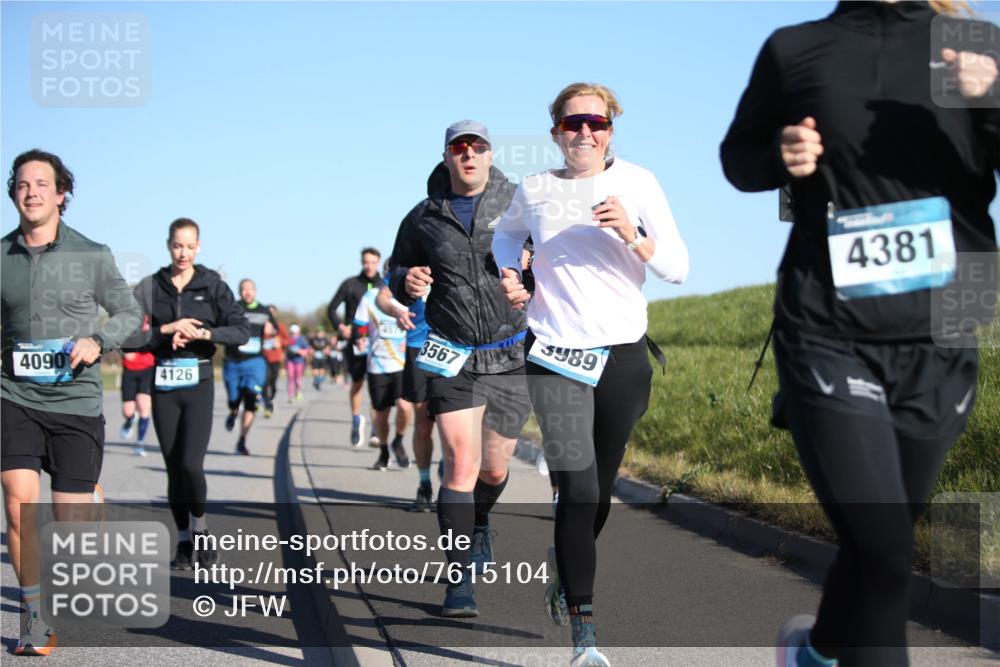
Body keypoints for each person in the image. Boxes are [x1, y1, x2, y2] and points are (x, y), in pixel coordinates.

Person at [719, 3, 998, 666]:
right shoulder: (797, 48)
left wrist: (990, 101)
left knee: (882, 542)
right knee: (885, 549)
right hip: (829, 324)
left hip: (950, 315)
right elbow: (738, 158)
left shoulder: (968, 41)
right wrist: (781, 155)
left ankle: (814, 653)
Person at [494, 82, 689, 667]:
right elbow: (506, 236)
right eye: (573, 123)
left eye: (596, 123)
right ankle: (585, 636)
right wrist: (511, 275)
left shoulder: (639, 183)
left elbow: (678, 267)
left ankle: (565, 560)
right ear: (555, 131)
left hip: (623, 355)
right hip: (555, 353)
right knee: (576, 489)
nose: (584, 132)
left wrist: (632, 233)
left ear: (610, 130)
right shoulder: (534, 189)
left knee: (598, 494)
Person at [388, 120, 532, 618]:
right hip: (451, 352)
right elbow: (396, 267)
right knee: (460, 463)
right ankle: (459, 579)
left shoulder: (521, 202)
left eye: (478, 147)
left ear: (490, 155)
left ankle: (480, 521)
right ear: (447, 156)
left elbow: (555, 255)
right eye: (459, 147)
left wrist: (531, 268)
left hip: (511, 353)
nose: (468, 154)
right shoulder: (423, 216)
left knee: (494, 467)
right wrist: (407, 279)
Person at [2, 149, 143, 655]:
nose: (32, 192)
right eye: (22, 184)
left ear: (62, 194)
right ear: (13, 193)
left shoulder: (91, 254)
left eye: (42, 184)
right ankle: (36, 620)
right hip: (13, 394)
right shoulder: (1, 256)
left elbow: (130, 314)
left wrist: (98, 341)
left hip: (74, 401)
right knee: (18, 506)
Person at [132, 218, 249, 569]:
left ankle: (201, 531)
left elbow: (241, 331)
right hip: (164, 384)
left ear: (198, 247)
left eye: (189, 246)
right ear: (168, 245)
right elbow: (127, 338)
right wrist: (166, 329)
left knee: (190, 465)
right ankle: (183, 542)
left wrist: (204, 334)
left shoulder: (212, 285)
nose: (183, 253)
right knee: (173, 469)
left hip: (198, 383)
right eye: (177, 246)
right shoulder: (150, 286)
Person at [377, 286, 435, 511]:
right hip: (419, 347)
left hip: (459, 346)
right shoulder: (412, 266)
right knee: (423, 424)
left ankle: (455, 482)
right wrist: (395, 311)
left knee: (455, 424)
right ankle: (424, 485)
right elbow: (383, 296)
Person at [328, 248, 384, 445]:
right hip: (356, 341)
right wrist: (340, 327)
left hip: (378, 341)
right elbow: (331, 308)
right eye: (366, 262)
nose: (369, 266)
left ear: (378, 263)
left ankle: (376, 428)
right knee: (358, 382)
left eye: (373, 262)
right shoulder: (350, 284)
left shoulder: (384, 285)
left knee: (377, 385)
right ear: (361, 262)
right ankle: (356, 419)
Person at [354, 281, 412, 470]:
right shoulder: (370, 297)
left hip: (402, 364)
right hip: (377, 364)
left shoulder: (409, 295)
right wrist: (360, 338)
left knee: (405, 407)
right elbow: (360, 324)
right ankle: (384, 451)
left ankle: (399, 440)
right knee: (381, 414)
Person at [222, 278, 276, 455]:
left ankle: (242, 441)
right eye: (244, 289)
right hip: (233, 361)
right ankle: (233, 411)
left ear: (255, 291)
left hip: (255, 361)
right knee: (234, 399)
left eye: (250, 289)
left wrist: (271, 330)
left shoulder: (264, 311)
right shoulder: (233, 308)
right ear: (240, 292)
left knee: (251, 398)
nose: (248, 293)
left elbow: (275, 330)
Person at [120, 309, 155, 457]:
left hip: (148, 368)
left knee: (144, 406)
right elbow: (120, 341)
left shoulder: (152, 320)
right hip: (130, 370)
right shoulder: (126, 320)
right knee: (128, 411)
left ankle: (140, 443)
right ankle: (130, 420)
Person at [261, 308, 285, 416]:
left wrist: (280, 343)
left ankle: (272, 398)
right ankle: (267, 403)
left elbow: (287, 340)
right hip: (263, 358)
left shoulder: (280, 326)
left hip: (275, 358)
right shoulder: (261, 326)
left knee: (273, 382)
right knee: (265, 381)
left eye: (272, 312)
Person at [285, 323, 308, 402]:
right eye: (292, 333)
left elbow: (306, 349)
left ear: (298, 333)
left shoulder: (301, 339)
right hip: (290, 360)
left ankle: (298, 391)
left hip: (299, 361)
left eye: (295, 333)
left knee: (297, 379)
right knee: (290, 377)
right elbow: (286, 347)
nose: (293, 335)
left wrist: (301, 351)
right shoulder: (288, 339)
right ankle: (290, 395)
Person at [308, 327, 332, 391]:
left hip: (323, 358)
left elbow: (328, 348)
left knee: (322, 373)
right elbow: (309, 348)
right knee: (315, 372)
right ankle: (316, 382)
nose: (319, 334)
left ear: (323, 333)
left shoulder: (325, 340)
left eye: (321, 332)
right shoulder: (313, 339)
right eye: (318, 332)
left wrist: (327, 351)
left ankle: (317, 383)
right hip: (315, 358)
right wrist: (311, 351)